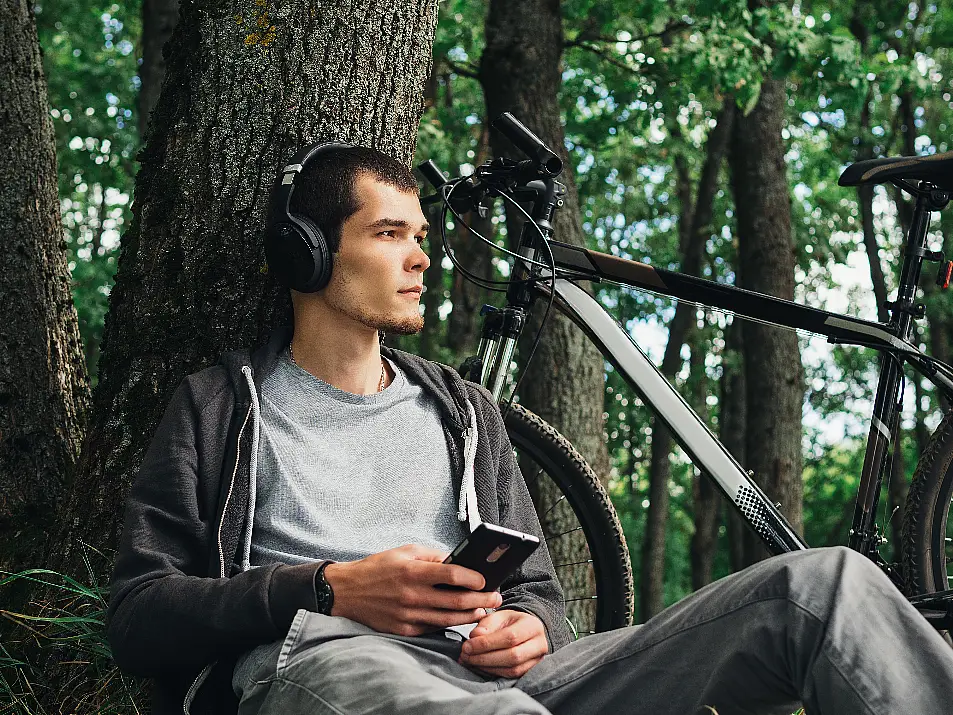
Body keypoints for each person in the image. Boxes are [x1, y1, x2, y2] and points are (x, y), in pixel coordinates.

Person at [107, 144, 953, 715]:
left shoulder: (463, 410)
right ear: (307, 252)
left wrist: (533, 626)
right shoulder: (219, 404)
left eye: (423, 237)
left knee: (822, 587)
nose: (422, 259)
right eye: (389, 234)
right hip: (321, 656)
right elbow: (140, 616)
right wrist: (328, 587)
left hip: (506, 682)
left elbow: (540, 591)